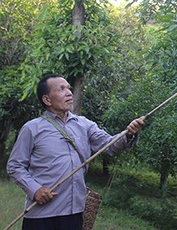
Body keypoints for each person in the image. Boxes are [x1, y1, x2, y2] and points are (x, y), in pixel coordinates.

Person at [7, 74, 146, 230]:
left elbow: (110, 145)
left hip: (74, 212)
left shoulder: (84, 124)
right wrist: (35, 190)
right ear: (47, 100)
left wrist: (128, 133)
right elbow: (15, 166)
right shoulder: (32, 128)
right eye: (61, 89)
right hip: (41, 214)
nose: (69, 93)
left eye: (69, 88)